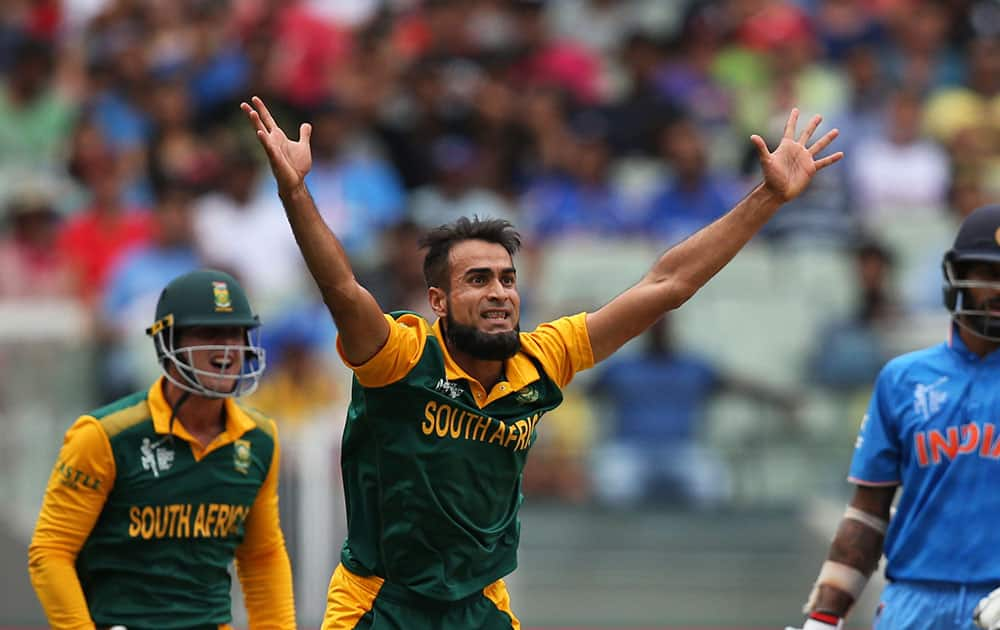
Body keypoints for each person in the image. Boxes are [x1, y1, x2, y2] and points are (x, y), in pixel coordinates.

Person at [241, 96, 841, 629]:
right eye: (478, 280)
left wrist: (767, 198)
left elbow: (668, 283)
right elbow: (343, 289)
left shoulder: (543, 357)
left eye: (508, 278)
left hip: (481, 606)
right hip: (380, 604)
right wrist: (295, 191)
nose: (500, 292)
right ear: (438, 301)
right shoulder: (401, 355)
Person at [27, 269, 296, 630]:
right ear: (168, 342)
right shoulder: (104, 435)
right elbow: (51, 552)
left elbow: (262, 556)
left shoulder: (260, 439)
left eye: (236, 333)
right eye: (209, 333)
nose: (228, 348)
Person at [785, 204, 1000, 630]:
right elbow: (867, 514)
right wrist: (825, 618)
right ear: (958, 275)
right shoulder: (903, 379)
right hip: (911, 604)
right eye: (988, 274)